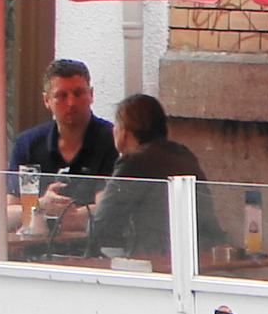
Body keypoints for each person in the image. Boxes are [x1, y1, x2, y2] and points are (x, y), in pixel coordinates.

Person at [87, 93, 214, 262]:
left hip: (154, 261)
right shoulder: (182, 154)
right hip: (197, 257)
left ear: (123, 132)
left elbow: (98, 228)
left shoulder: (133, 162)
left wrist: (100, 201)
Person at [7, 58, 118, 244]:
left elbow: (109, 210)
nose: (71, 102)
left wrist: (71, 215)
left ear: (91, 95)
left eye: (78, 93)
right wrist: (40, 206)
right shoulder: (27, 143)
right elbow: (7, 214)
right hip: (34, 252)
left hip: (95, 251)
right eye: (61, 95)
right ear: (46, 100)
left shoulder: (112, 139)